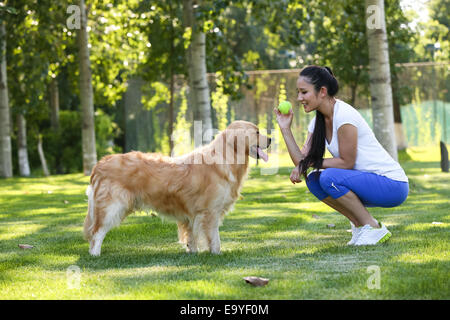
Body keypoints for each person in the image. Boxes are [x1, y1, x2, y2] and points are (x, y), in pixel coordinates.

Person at [274, 65, 409, 246]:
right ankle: (360, 226)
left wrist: (309, 163)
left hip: (392, 185)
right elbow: (302, 161)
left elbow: (346, 162)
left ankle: (373, 227)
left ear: (322, 91)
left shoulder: (344, 116)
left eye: (304, 92)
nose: (299, 98)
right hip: (366, 182)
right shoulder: (317, 122)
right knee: (314, 179)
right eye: (298, 93)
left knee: (329, 176)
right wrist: (285, 129)